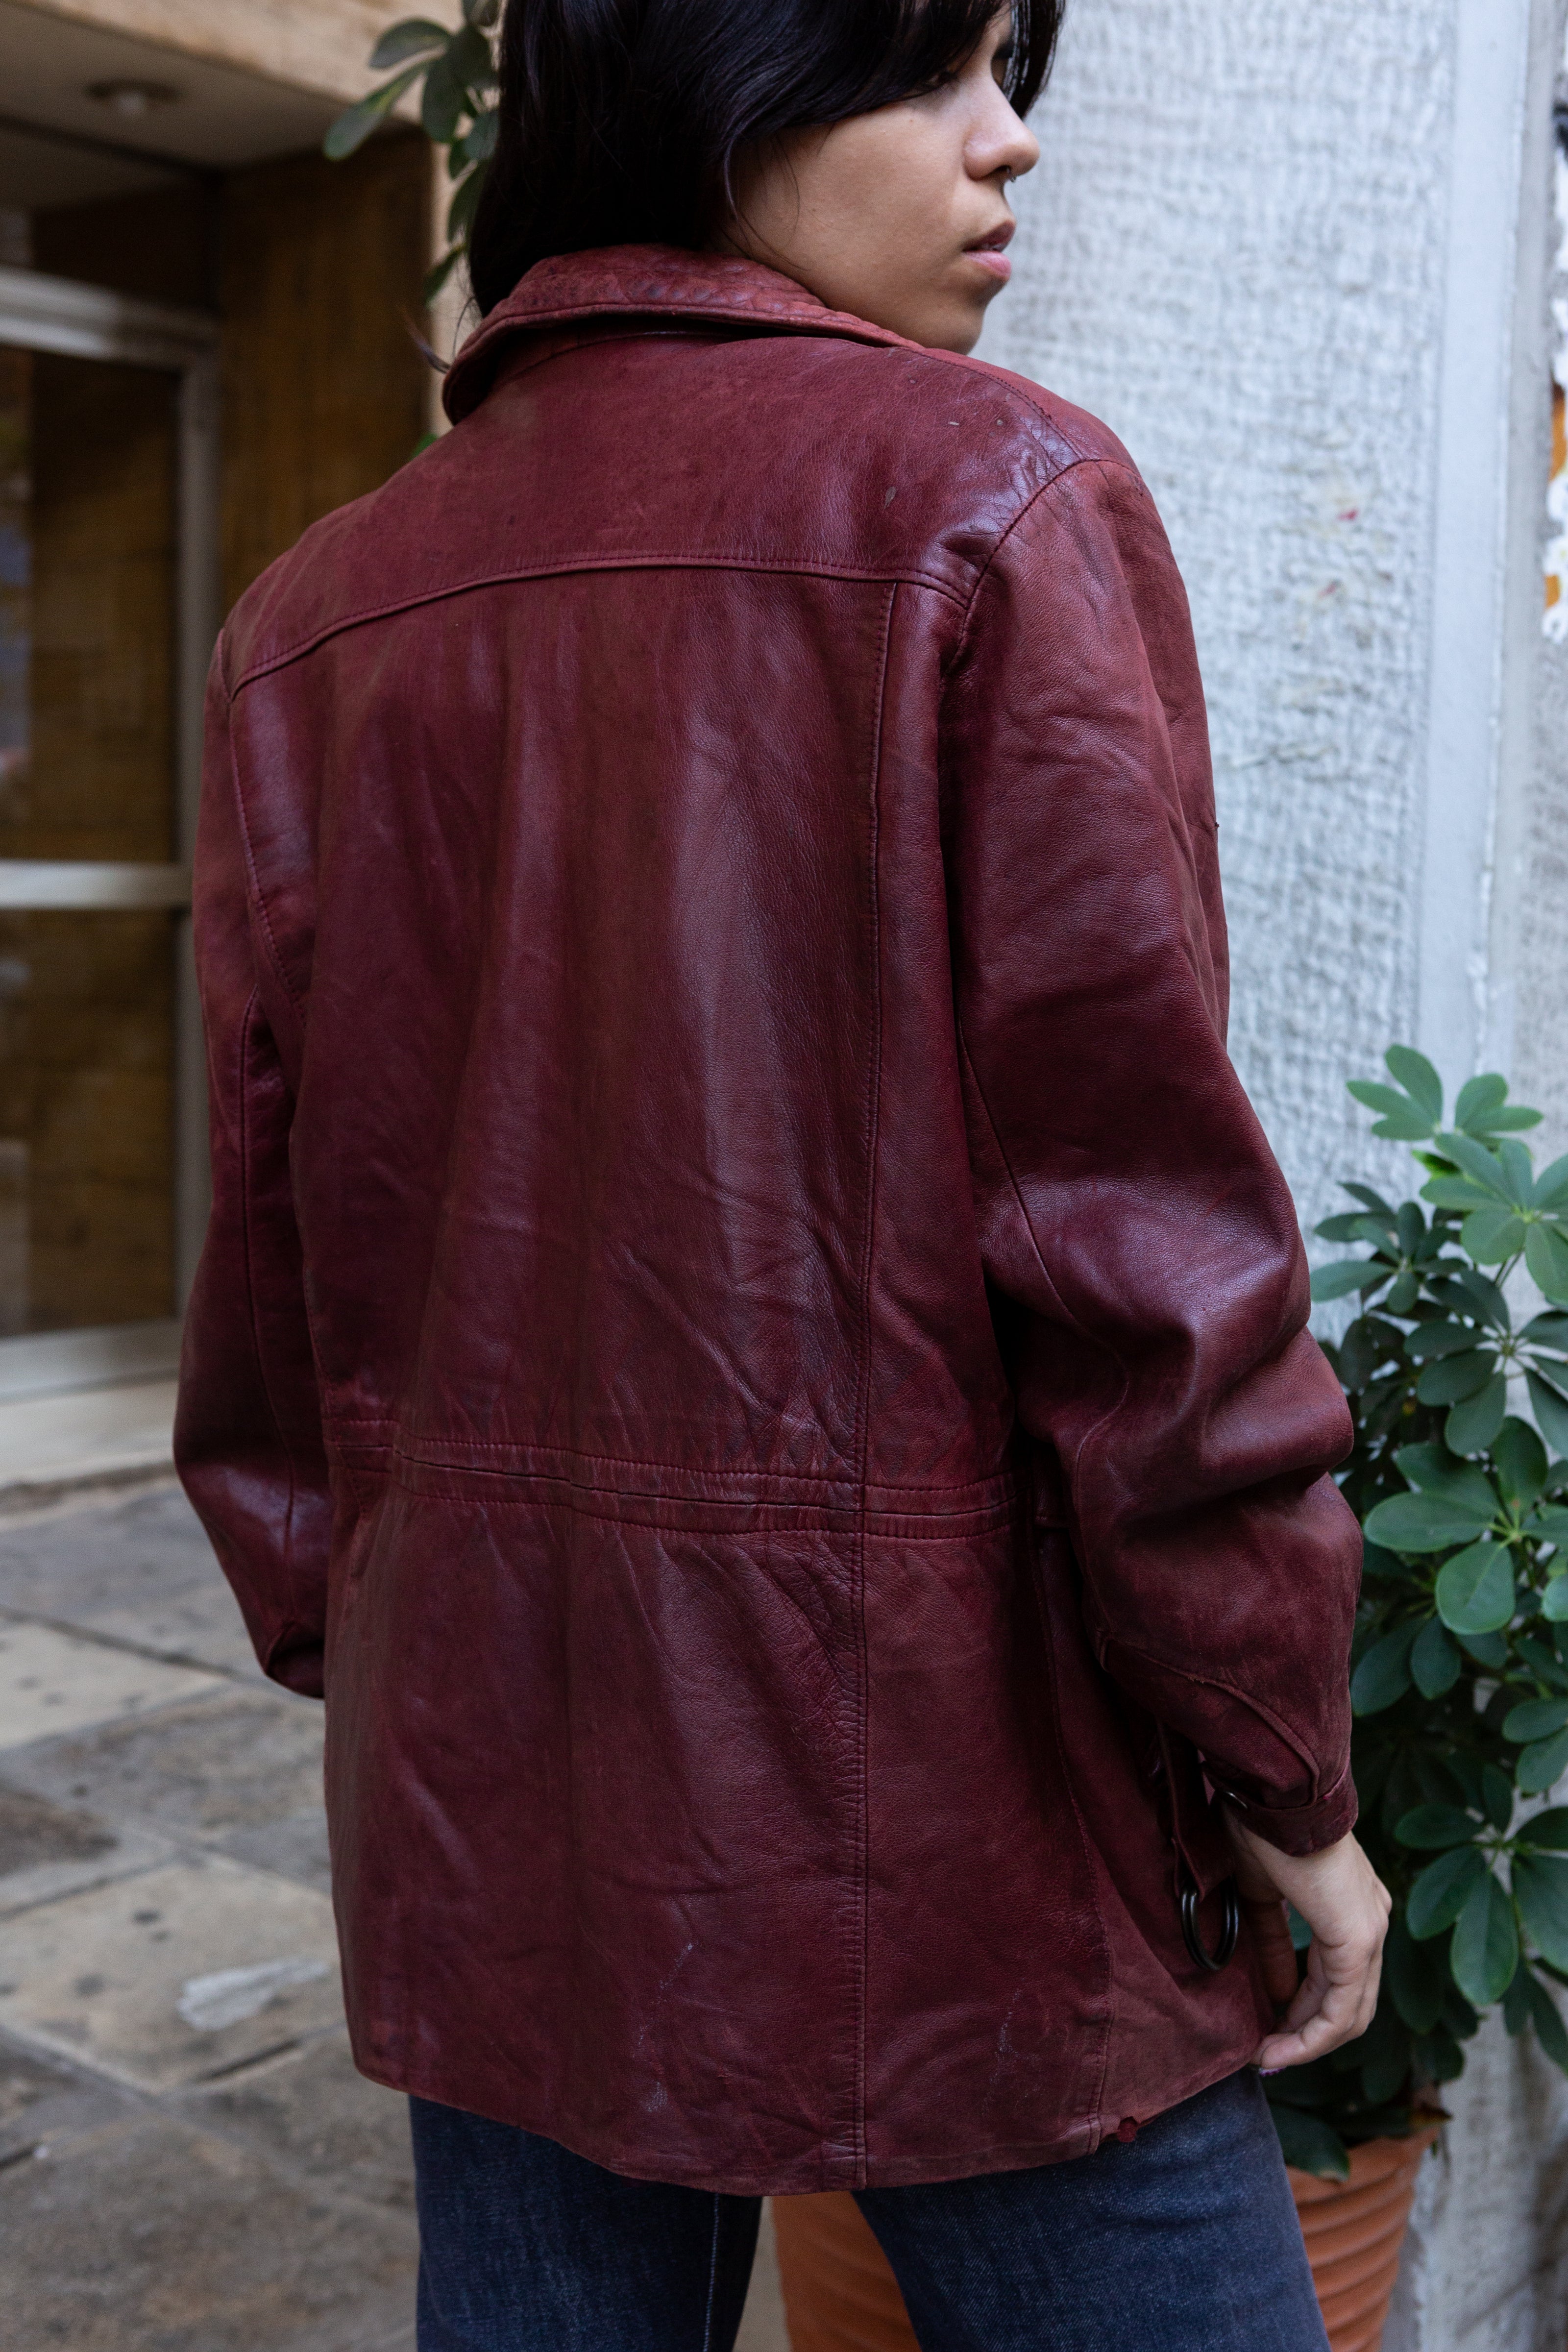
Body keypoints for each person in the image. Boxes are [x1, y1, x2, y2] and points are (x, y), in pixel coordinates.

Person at [176, 1, 1391, 2345]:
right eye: (931, 69)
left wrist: (398, 1639)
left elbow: (275, 1255)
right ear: (710, 84)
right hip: (949, 1820)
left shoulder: (310, 616)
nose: (1008, 143)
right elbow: (1138, 1254)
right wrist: (1278, 1767)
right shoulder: (992, 500)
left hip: (491, 1769)